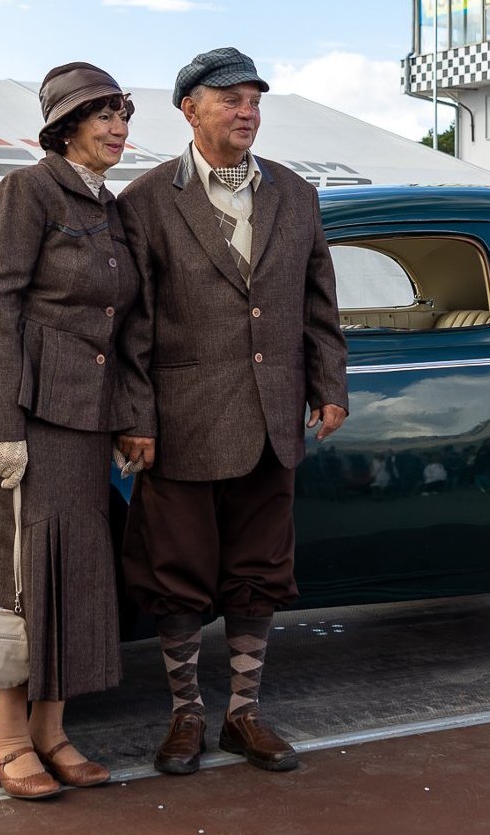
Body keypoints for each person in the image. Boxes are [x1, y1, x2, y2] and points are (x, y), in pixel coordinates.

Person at [116, 47, 349, 776]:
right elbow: (132, 322)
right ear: (189, 109)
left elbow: (319, 302)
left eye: (253, 100)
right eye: (230, 100)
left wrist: (329, 385)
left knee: (259, 573)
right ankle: (185, 715)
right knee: (176, 574)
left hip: (272, 419)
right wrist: (135, 416)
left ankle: (242, 716)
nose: (247, 111)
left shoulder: (296, 195)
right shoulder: (146, 200)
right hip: (179, 423)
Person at [0, 62, 142, 800]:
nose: (119, 128)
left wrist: (127, 415)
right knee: (17, 566)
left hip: (85, 414)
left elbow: (119, 324)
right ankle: (4, 736)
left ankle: (50, 729)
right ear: (66, 125)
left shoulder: (110, 207)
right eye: (103, 116)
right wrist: (2, 426)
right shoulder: (26, 191)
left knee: (75, 568)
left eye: (124, 114)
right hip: (23, 410)